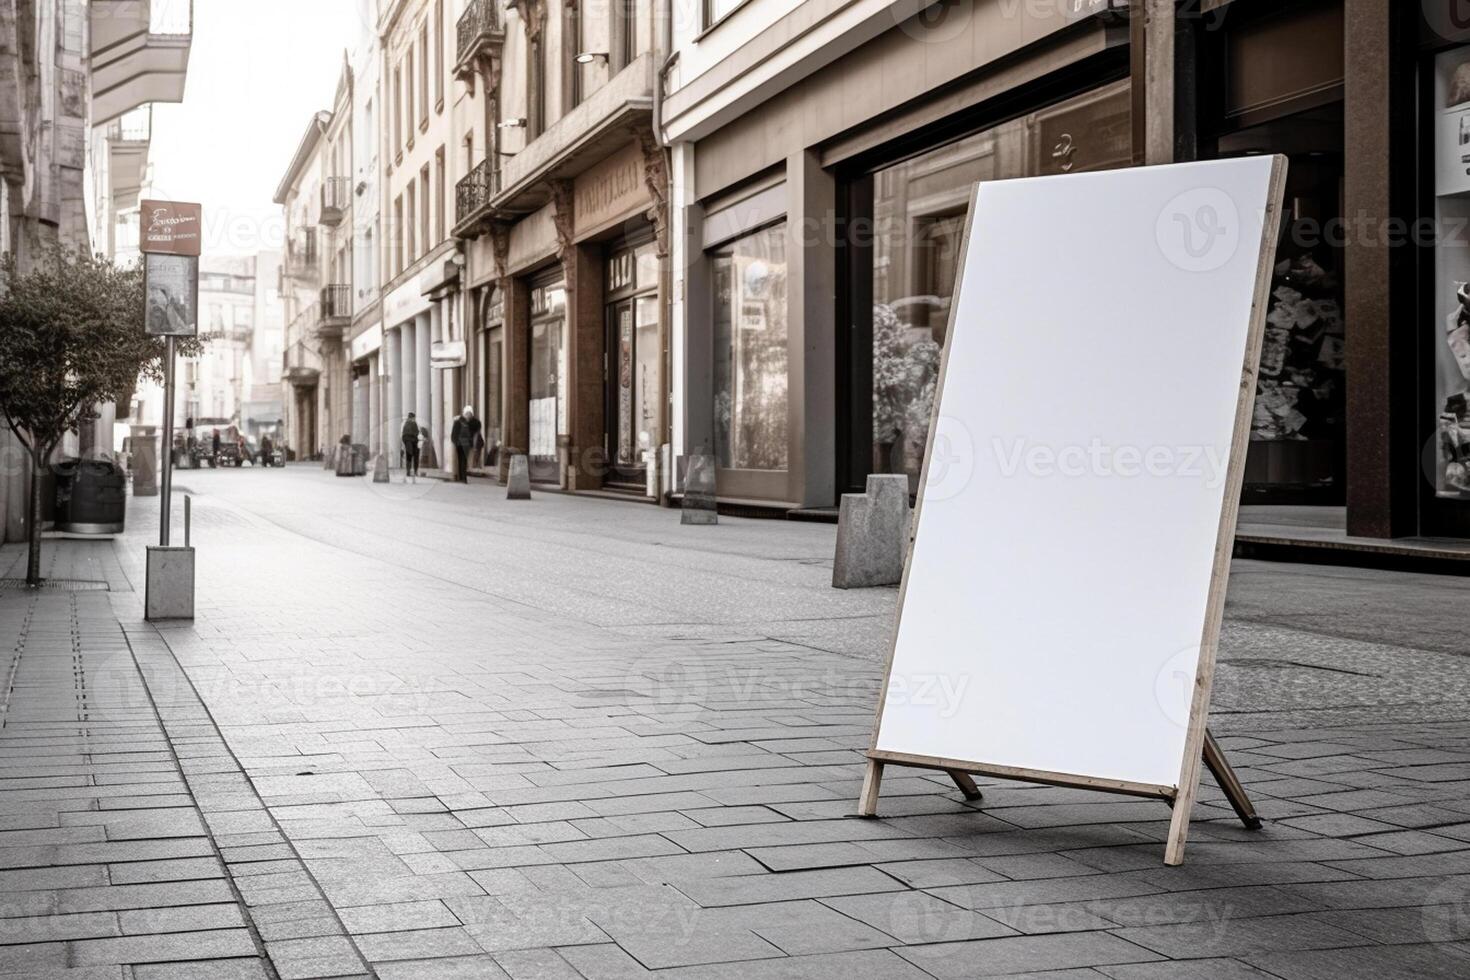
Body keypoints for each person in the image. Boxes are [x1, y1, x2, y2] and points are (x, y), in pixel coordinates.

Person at [449, 406, 481, 483]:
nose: (468, 415)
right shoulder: (460, 421)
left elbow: (476, 434)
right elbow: (454, 433)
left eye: (469, 413)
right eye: (467, 413)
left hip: (463, 444)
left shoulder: (461, 421)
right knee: (462, 460)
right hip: (461, 444)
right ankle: (462, 477)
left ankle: (463, 477)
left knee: (463, 460)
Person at [401, 412, 421, 483]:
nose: (414, 419)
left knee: (409, 457)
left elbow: (403, 436)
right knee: (415, 457)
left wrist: (405, 443)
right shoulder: (412, 423)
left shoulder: (405, 424)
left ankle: (409, 471)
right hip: (412, 443)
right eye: (414, 418)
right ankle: (414, 471)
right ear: (412, 417)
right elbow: (416, 433)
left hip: (409, 443)